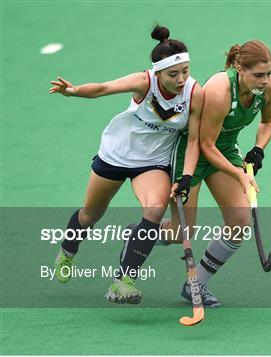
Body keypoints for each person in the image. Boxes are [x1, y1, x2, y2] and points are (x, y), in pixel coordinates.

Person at [49, 25, 203, 304]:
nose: (181, 79)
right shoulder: (144, 82)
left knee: (155, 210)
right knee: (90, 215)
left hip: (153, 163)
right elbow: (104, 88)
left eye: (185, 71)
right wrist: (73, 91)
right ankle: (68, 250)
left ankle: (123, 280)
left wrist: (188, 176)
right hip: (116, 155)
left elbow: (193, 140)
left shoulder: (194, 92)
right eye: (173, 74)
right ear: (158, 73)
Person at [162, 40, 271, 308]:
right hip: (191, 154)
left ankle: (196, 283)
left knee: (239, 221)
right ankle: (139, 237)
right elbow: (204, 144)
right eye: (258, 75)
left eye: (269, 73)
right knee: (181, 233)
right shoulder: (219, 89)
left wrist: (258, 149)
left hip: (223, 150)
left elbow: (268, 122)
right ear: (239, 67)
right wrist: (239, 175)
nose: (265, 81)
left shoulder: (269, 88)